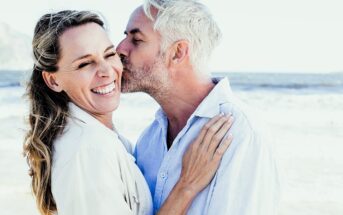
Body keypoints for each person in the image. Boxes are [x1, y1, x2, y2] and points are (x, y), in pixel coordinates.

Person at [23, 10, 234, 215]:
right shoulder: (89, 149)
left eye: (109, 54)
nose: (106, 71)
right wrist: (188, 185)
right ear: (53, 80)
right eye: (85, 63)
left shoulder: (101, 138)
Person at [116, 0, 280, 214]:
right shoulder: (149, 140)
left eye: (136, 40)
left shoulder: (238, 134)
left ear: (177, 52)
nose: (119, 49)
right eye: (125, 36)